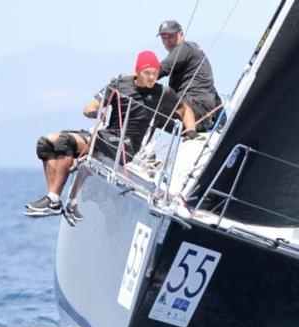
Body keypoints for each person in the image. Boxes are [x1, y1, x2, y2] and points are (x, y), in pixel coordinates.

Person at [24, 50, 196, 218]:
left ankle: (54, 199)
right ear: (138, 71)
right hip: (108, 136)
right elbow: (90, 107)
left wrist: (191, 131)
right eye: (147, 73)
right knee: (46, 143)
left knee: (65, 141)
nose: (152, 77)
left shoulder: (163, 93)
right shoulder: (120, 84)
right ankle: (52, 198)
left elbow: (185, 110)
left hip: (125, 146)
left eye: (155, 73)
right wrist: (93, 111)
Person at [157, 20, 222, 131]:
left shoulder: (185, 48)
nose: (168, 41)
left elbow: (162, 69)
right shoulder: (193, 50)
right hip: (202, 115)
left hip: (195, 112)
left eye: (171, 36)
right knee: (152, 105)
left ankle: (130, 144)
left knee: (147, 104)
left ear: (181, 34)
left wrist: (133, 81)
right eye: (164, 38)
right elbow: (212, 91)